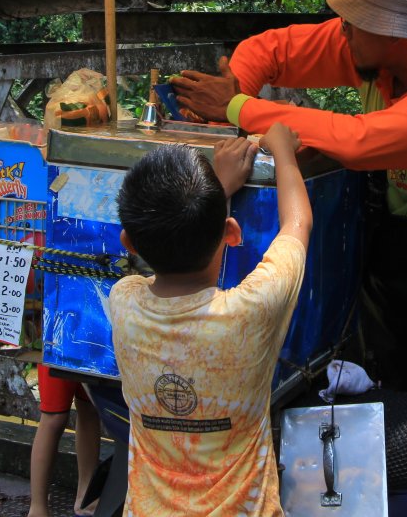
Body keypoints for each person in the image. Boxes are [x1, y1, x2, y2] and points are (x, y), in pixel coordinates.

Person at [171, 0, 407, 397]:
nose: (342, 30)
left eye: (355, 22)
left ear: (393, 31)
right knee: (369, 385)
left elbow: (358, 140)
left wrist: (238, 106)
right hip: (376, 245)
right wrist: (230, 95)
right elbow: (271, 49)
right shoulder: (371, 52)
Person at [109, 124, 312, 517]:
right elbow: (297, 225)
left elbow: (168, 259)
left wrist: (217, 189)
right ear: (231, 233)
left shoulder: (124, 302)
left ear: (128, 243)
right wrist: (283, 149)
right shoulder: (252, 311)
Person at [26, 365, 102, 517]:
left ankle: (86, 499)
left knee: (89, 408)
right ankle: (37, 509)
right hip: (58, 346)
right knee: (54, 417)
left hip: (92, 347)